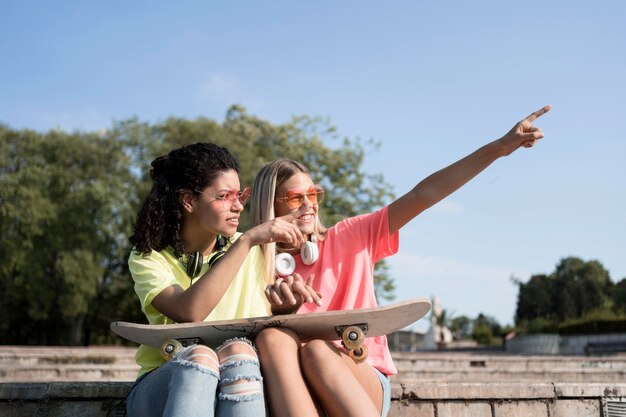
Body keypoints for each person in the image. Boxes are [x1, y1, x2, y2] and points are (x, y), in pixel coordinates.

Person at [249, 105, 552, 417]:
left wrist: (499, 147)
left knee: (316, 351)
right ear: (270, 206)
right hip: (295, 393)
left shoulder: (351, 235)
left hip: (360, 379)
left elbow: (424, 194)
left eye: (313, 195)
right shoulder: (252, 264)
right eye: (296, 199)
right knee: (275, 339)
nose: (308, 206)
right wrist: (280, 314)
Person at [125, 142, 308, 417]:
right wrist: (245, 241)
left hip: (238, 379)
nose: (237, 207)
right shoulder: (148, 258)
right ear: (188, 201)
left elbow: (262, 322)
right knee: (201, 356)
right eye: (224, 196)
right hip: (165, 386)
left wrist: (286, 306)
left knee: (240, 351)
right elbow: (190, 312)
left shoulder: (251, 251)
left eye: (240, 195)